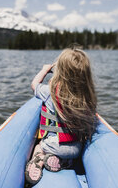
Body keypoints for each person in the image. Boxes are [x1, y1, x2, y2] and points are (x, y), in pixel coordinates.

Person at [25, 48, 98, 185]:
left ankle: (39, 159)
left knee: (39, 146)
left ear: (60, 72)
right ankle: (64, 161)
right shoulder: (87, 98)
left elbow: (34, 85)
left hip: (52, 145)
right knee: (68, 151)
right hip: (75, 149)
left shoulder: (50, 93)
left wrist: (45, 70)